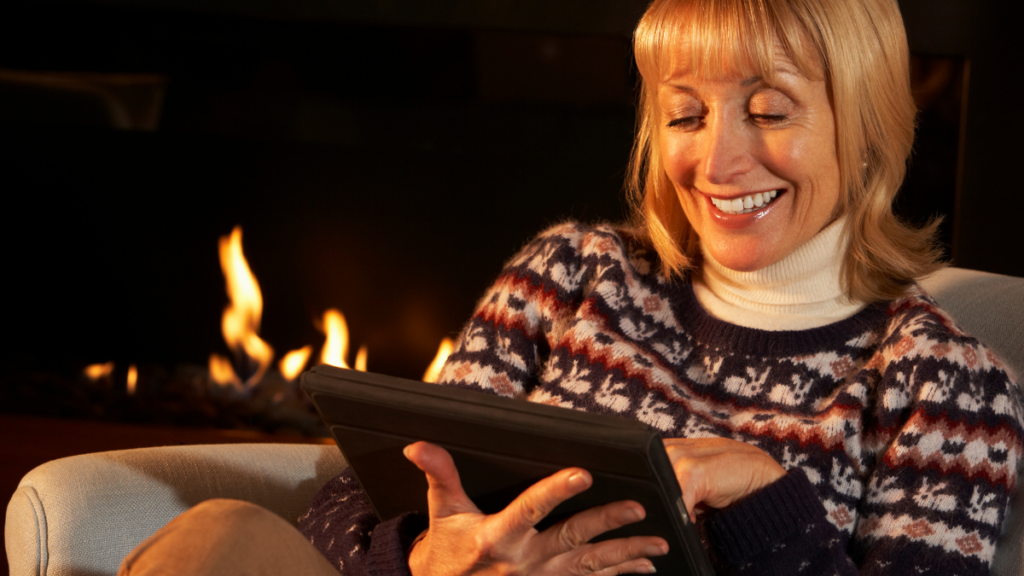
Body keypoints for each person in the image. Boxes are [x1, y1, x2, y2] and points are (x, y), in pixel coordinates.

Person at [118, 0, 1023, 575]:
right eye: (686, 114)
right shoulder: (571, 273)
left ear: (863, 125)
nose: (718, 159)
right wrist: (429, 555)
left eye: (769, 109)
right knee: (219, 538)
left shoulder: (941, 383)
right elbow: (355, 498)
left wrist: (758, 490)